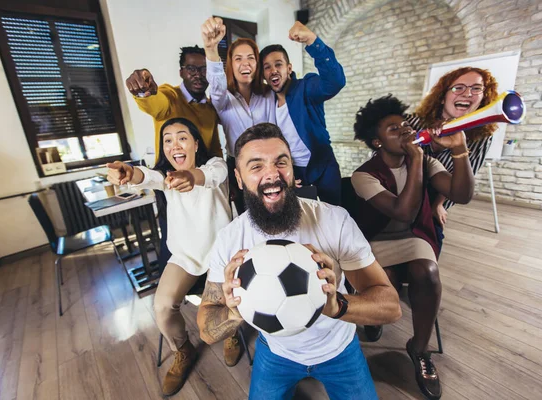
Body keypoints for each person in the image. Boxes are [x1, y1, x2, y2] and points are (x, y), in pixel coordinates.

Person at [197, 123, 402, 400]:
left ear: (292, 170)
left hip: (339, 348)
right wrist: (235, 313)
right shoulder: (230, 238)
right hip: (276, 353)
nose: (272, 174)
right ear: (239, 177)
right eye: (256, 166)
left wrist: (337, 305)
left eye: (281, 162)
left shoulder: (334, 220)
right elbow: (207, 330)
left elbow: (391, 308)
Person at [350, 95, 475, 400]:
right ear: (376, 142)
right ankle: (375, 317)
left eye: (405, 125)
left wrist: (459, 150)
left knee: (428, 272)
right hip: (375, 242)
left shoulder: (426, 161)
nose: (405, 131)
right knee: (387, 279)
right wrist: (417, 158)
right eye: (394, 129)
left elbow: (462, 193)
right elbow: (402, 210)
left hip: (414, 236)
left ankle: (419, 349)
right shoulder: (362, 175)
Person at [106, 118, 231, 397]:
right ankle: (183, 350)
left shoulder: (216, 165)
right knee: (162, 307)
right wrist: (128, 172)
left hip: (221, 257)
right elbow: (145, 176)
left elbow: (209, 177)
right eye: (168, 140)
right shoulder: (166, 178)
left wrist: (191, 177)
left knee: (221, 309)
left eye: (182, 137)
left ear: (196, 143)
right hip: (185, 256)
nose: (175, 145)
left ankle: (231, 333)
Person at [406, 67, 499, 243]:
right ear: (442, 97)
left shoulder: (482, 136)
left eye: (476, 88)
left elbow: (462, 184)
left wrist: (438, 204)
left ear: (483, 98)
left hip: (434, 199)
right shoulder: (411, 122)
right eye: (459, 87)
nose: (467, 94)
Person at [259, 22, 345, 205]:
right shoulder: (267, 104)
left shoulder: (305, 87)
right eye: (267, 67)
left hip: (323, 168)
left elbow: (335, 81)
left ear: (289, 68)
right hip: (294, 174)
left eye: (278, 64)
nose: (273, 70)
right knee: (302, 225)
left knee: (334, 217)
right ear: (263, 75)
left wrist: (312, 41)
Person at [201, 17, 276, 214]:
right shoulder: (223, 99)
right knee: (250, 216)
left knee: (276, 210)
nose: (245, 63)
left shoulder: (269, 94)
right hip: (239, 164)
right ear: (230, 65)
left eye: (251, 57)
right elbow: (216, 85)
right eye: (238, 58)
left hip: (270, 161)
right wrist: (211, 48)